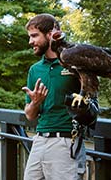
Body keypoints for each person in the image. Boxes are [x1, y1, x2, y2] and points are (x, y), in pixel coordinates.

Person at [21, 13, 87, 180]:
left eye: (35, 36)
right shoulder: (35, 70)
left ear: (51, 33)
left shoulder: (74, 63)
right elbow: (29, 115)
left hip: (65, 142)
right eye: (30, 37)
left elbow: (92, 99)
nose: (31, 42)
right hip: (39, 140)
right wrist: (35, 102)